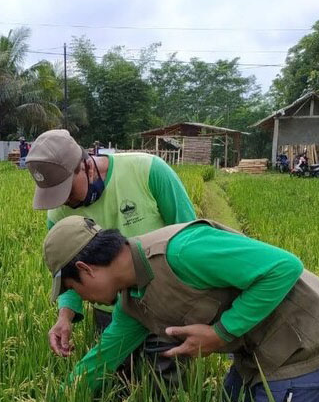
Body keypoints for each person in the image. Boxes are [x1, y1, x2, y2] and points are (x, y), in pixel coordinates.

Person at [43, 216, 319, 402]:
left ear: (86, 269)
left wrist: (221, 333)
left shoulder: (182, 252)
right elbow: (101, 360)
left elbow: (283, 267)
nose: (81, 300)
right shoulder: (131, 303)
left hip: (312, 347)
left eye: (75, 289)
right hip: (261, 354)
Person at [25, 129, 195, 376]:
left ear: (86, 166)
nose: (65, 203)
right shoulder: (58, 214)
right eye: (55, 197)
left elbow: (188, 238)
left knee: (164, 391)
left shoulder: (148, 171)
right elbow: (70, 273)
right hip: (111, 313)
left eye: (68, 192)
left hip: (164, 307)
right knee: (115, 387)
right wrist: (65, 317)